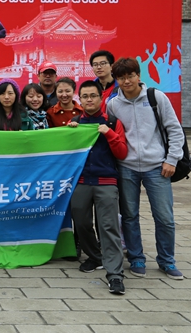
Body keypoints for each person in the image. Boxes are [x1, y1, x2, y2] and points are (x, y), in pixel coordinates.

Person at [107, 57, 185, 280]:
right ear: (116, 80)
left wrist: (171, 160)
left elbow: (175, 129)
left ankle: (167, 261)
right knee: (129, 216)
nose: (126, 81)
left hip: (157, 166)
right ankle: (136, 258)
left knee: (164, 217)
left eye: (130, 76)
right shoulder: (113, 104)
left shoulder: (156, 97)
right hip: (127, 167)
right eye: (121, 78)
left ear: (138, 75)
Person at [67, 80, 127, 295]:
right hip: (81, 182)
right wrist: (70, 134)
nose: (89, 100)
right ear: (80, 100)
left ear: (101, 98)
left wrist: (109, 134)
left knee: (108, 227)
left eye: (93, 96)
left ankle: (115, 275)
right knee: (81, 223)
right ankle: (95, 256)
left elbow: (122, 153)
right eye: (85, 96)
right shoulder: (75, 122)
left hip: (106, 183)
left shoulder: (112, 122)